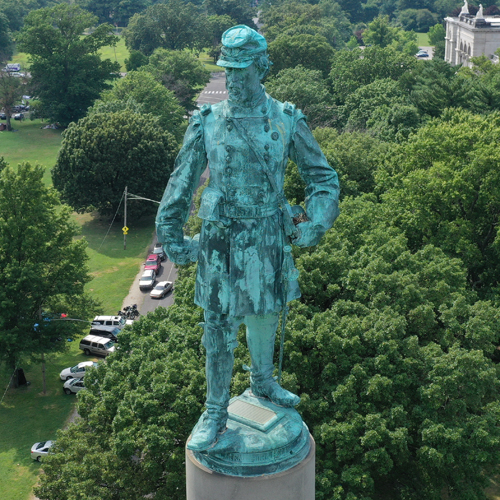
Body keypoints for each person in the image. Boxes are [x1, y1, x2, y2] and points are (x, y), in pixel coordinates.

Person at [156, 25, 340, 451]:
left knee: (265, 313)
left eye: (242, 70)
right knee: (217, 326)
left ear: (261, 66)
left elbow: (323, 179)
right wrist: (170, 235)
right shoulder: (206, 121)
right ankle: (216, 409)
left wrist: (315, 223)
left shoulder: (287, 118)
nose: (234, 79)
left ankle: (263, 382)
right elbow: (180, 183)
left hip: (267, 235)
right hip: (219, 238)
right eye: (228, 70)